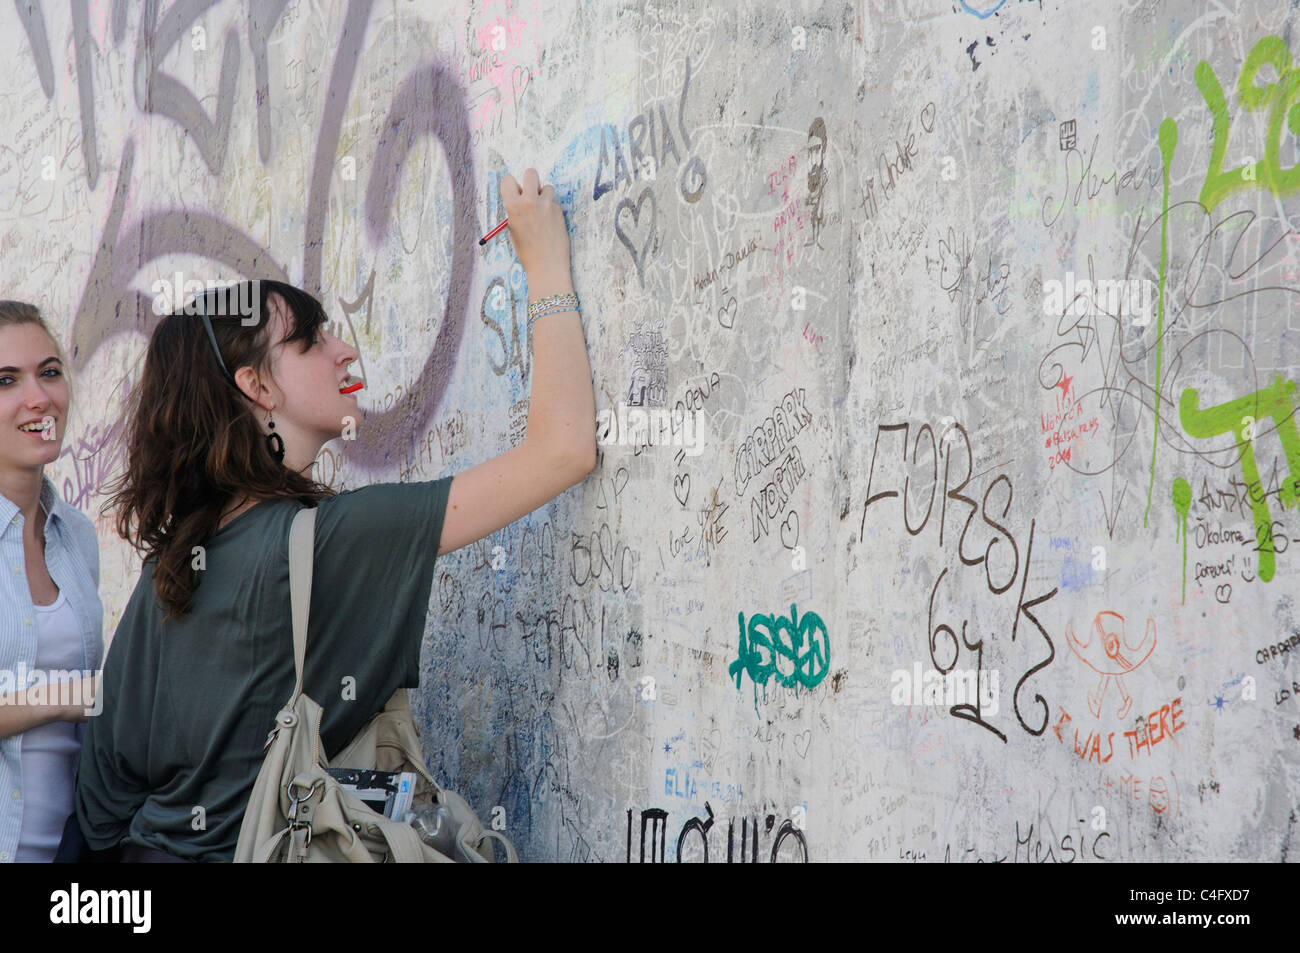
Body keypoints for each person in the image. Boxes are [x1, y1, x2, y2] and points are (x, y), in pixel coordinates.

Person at [75, 169, 595, 861]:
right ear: (256, 385)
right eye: (313, 339)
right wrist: (547, 264)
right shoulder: (331, 542)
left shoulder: (164, 574)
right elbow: (564, 449)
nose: (344, 349)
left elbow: (102, 808)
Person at [0, 301, 103, 863]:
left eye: (50, 371)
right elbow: (82, 696)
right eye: (5, 381)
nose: (38, 397)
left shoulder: (75, 536)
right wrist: (66, 697)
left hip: (70, 854)